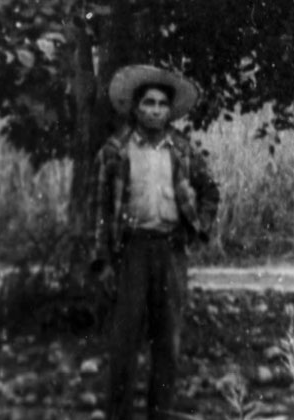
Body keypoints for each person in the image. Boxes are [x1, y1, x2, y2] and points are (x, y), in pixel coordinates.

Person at [91, 65, 220, 420]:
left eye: (162, 104)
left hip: (170, 251)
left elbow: (210, 191)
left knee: (168, 342)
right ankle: (119, 415)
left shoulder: (181, 149)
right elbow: (100, 210)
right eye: (148, 103)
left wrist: (198, 227)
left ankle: (160, 413)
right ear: (135, 108)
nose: (155, 110)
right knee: (124, 341)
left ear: (169, 110)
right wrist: (102, 261)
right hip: (130, 252)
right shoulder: (115, 151)